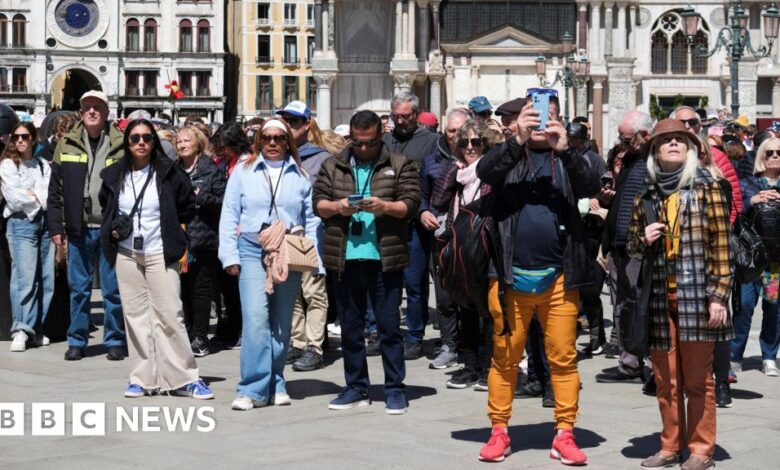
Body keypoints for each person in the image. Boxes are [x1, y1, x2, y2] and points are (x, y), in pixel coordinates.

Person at [475, 92, 600, 465]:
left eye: (551, 115)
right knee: (505, 358)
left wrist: (566, 150)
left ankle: (565, 433)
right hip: (510, 276)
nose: (543, 121)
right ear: (520, 119)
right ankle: (499, 431)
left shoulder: (567, 158)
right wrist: (517, 140)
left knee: (563, 358)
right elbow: (485, 172)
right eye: (536, 114)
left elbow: (592, 184)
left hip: (560, 277)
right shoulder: (509, 154)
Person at [627, 119, 732, 470]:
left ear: (690, 149)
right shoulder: (648, 194)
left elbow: (722, 245)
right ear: (655, 151)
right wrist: (645, 238)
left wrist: (718, 296)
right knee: (665, 379)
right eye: (666, 140)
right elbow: (629, 244)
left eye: (680, 140)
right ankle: (670, 446)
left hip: (698, 297)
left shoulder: (708, 186)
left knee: (699, 379)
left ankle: (701, 449)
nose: (673, 144)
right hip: (658, 297)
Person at [99, 118, 214, 400]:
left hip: (161, 252)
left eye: (147, 138)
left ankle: (184, 378)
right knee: (135, 317)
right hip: (127, 253)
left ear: (155, 142)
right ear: (126, 142)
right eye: (135, 137)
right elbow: (107, 204)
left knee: (170, 314)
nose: (141, 143)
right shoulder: (114, 174)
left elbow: (187, 205)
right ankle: (142, 378)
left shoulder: (169, 172)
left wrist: (171, 228)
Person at [314, 110, 420, 414]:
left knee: (388, 328)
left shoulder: (400, 164)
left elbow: (410, 204)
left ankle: (395, 388)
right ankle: (356, 386)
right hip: (345, 257)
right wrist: (338, 206)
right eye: (358, 143)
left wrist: (384, 206)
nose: (363, 149)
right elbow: (318, 203)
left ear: (380, 137)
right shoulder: (332, 165)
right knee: (350, 328)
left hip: (384, 258)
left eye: (370, 143)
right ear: (350, 138)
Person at [219, 119, 322, 410]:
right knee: (254, 319)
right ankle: (251, 387)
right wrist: (229, 256)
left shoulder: (300, 174)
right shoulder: (243, 170)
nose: (273, 143)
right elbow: (229, 214)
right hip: (252, 247)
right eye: (267, 137)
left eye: (279, 137)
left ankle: (276, 381)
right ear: (258, 141)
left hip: (287, 249)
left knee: (280, 322)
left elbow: (311, 220)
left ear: (288, 141)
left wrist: (316, 260)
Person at [48, 90, 126, 361]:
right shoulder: (66, 143)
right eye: (87, 107)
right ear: (81, 113)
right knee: (78, 289)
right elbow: (55, 189)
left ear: (106, 113)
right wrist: (56, 227)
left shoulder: (120, 143)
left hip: (109, 229)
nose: (92, 111)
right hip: (77, 229)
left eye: (98, 107)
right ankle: (77, 341)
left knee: (112, 290)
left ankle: (115, 339)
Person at [430, 118, 496, 389]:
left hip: (485, 250)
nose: (470, 147)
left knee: (488, 311)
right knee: (465, 308)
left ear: (485, 144)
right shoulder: (457, 173)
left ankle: (489, 367)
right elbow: (438, 200)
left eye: (476, 142)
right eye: (464, 142)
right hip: (459, 251)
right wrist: (452, 172)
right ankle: (469, 366)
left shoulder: (491, 172)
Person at [597, 111, 653, 384]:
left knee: (637, 304)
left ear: (644, 135)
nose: (621, 142)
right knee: (622, 305)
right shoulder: (630, 160)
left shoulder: (654, 161)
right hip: (620, 243)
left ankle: (642, 363)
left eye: (626, 138)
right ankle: (628, 363)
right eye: (620, 137)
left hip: (640, 246)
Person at [382, 91, 438, 359]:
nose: (400, 121)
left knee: (415, 282)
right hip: (386, 222)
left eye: (405, 116)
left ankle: (415, 335)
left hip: (415, 222)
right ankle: (386, 332)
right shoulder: (384, 141)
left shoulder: (431, 142)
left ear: (415, 114)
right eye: (396, 116)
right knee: (387, 281)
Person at [277, 101, 331, 371]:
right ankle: (296, 342)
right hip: (282, 233)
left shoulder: (321, 158)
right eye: (285, 120)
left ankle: (315, 346)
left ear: (307, 125)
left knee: (313, 291)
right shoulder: (277, 154)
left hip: (311, 233)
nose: (289, 125)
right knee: (292, 292)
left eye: (294, 121)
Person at [420, 108, 469, 370]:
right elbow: (422, 195)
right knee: (444, 294)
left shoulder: (478, 157)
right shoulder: (432, 160)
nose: (457, 137)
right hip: (441, 237)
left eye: (462, 132)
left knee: (472, 296)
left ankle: (473, 348)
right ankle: (450, 345)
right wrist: (424, 211)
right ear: (444, 132)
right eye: (452, 132)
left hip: (471, 238)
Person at [1, 122, 54, 351]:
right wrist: (36, 198)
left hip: (44, 224)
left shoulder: (43, 165)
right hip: (21, 223)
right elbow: (14, 197)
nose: (20, 140)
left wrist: (33, 196)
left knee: (46, 279)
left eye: (25, 136)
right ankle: (21, 329)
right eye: (16, 137)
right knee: (24, 278)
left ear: (34, 138)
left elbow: (50, 192)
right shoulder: (7, 164)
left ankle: (36, 329)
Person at [176, 125, 226, 357]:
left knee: (201, 290)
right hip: (179, 239)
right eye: (179, 142)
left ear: (197, 144)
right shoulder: (174, 170)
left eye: (186, 141)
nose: (182, 145)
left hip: (203, 238)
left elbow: (222, 201)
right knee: (182, 290)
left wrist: (201, 197)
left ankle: (200, 336)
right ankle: (185, 333)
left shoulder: (210, 169)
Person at [732, 136, 780, 379]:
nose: (774, 156)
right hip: (750, 258)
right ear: (761, 156)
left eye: (778, 152)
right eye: (769, 152)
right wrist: (754, 200)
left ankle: (769, 356)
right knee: (745, 306)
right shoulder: (747, 184)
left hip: (775, 262)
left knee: (773, 307)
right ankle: (735, 355)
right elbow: (735, 210)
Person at [209, 122, 249, 349]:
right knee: (225, 289)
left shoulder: (247, 162)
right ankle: (229, 327)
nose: (222, 150)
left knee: (238, 288)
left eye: (225, 146)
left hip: (242, 231)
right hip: (224, 230)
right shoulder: (223, 163)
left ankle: (242, 329)